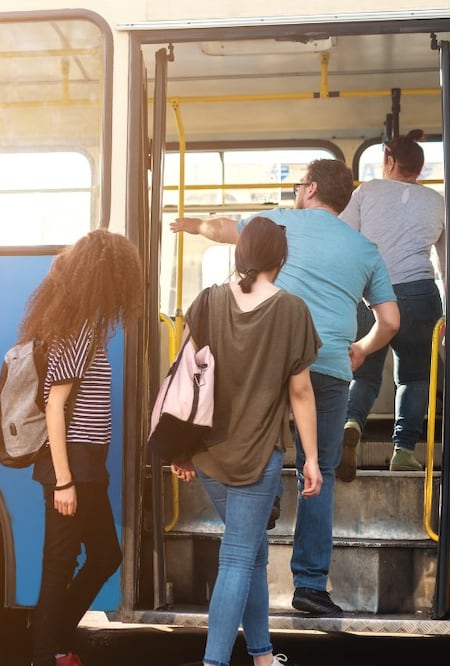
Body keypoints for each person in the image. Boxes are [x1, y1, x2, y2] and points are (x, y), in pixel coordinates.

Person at [171, 158, 399, 616]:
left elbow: (221, 229)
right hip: (331, 366)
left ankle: (267, 502)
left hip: (270, 360)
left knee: (262, 449)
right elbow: (391, 320)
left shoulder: (276, 224)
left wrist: (190, 223)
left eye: (300, 185)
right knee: (322, 472)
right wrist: (360, 349)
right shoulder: (365, 248)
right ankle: (311, 586)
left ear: (311, 189)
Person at [170, 218, 322, 666]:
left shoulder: (207, 302)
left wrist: (181, 448)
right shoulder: (293, 310)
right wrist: (311, 458)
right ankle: (214, 662)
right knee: (237, 557)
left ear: (240, 254)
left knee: (251, 551)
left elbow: (187, 377)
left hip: (209, 454)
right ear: (281, 259)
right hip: (259, 457)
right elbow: (300, 392)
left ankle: (261, 654)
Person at [20, 229, 143, 666]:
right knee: (60, 561)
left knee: (105, 554)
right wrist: (64, 480)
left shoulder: (84, 323)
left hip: (86, 463)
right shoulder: (78, 328)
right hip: (69, 464)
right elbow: (55, 405)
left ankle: (52, 637)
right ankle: (46, 654)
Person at [337, 130, 446, 476]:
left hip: (370, 293)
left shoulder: (366, 191)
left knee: (365, 374)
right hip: (419, 295)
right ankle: (403, 451)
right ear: (419, 168)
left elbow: (343, 239)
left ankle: (351, 425)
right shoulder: (437, 201)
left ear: (388, 160)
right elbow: (447, 261)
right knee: (415, 379)